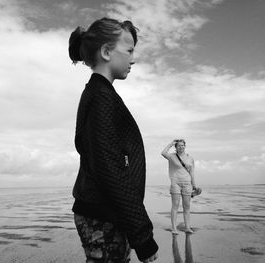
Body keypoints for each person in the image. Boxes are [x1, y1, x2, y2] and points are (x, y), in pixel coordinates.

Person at [69, 17, 159, 262]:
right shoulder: (101, 98)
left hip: (106, 212)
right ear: (107, 52)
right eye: (129, 50)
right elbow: (110, 169)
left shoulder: (101, 94)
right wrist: (143, 237)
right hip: (102, 215)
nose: (133, 58)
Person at [161, 139, 196, 235]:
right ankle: (174, 228)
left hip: (187, 183)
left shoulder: (190, 158)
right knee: (175, 205)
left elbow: (192, 172)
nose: (181, 147)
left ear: (185, 146)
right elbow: (163, 153)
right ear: (176, 148)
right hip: (175, 183)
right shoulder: (172, 156)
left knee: (187, 206)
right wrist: (171, 143)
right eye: (179, 146)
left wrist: (194, 185)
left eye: (182, 145)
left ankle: (187, 227)